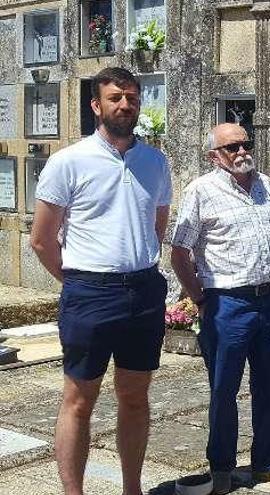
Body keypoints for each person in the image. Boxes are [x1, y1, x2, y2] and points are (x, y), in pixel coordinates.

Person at [30, 67, 171, 495]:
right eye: (114, 97)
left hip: (143, 290)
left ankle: (132, 489)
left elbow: (156, 226)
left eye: (131, 97)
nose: (124, 104)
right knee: (79, 398)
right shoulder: (68, 162)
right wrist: (78, 281)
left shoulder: (155, 161)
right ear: (96, 105)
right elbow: (41, 240)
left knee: (135, 396)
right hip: (90, 292)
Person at [170, 123, 270, 493]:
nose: (242, 151)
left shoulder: (269, 186)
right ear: (214, 156)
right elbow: (180, 251)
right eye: (232, 147)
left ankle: (268, 461)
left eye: (246, 143)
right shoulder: (200, 191)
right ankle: (223, 468)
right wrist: (198, 297)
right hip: (226, 305)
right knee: (224, 390)